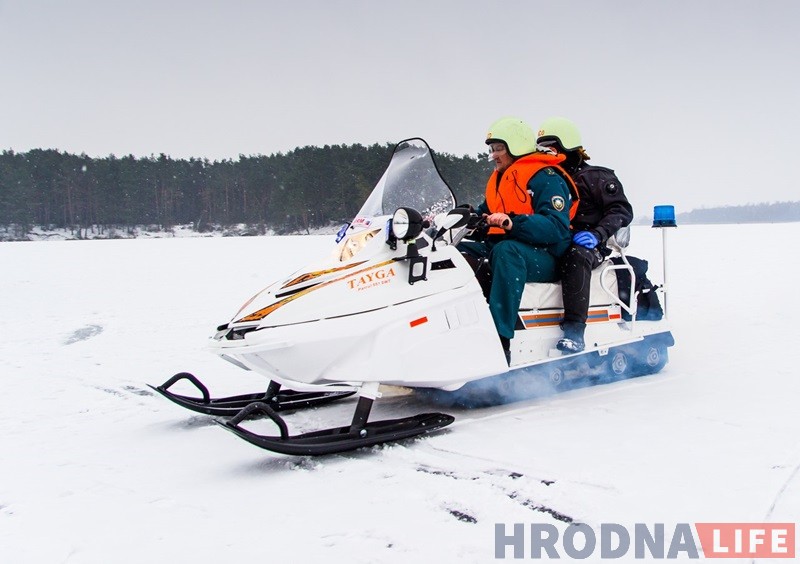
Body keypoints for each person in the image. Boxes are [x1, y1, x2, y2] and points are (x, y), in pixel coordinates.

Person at [460, 116, 576, 364]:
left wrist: (512, 223)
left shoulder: (545, 177)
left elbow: (556, 226)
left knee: (507, 251)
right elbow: (486, 212)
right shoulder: (502, 178)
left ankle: (500, 340)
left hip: (547, 256)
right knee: (456, 251)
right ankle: (457, 322)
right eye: (492, 149)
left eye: (499, 148)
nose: (493, 155)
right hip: (508, 249)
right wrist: (467, 218)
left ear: (517, 145)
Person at [535, 116, 634, 353]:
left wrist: (598, 234)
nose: (547, 153)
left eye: (551, 148)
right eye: (542, 149)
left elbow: (620, 210)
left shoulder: (596, 177)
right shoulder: (545, 179)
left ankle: (575, 332)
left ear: (568, 146)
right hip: (554, 239)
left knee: (576, 256)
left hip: (588, 244)